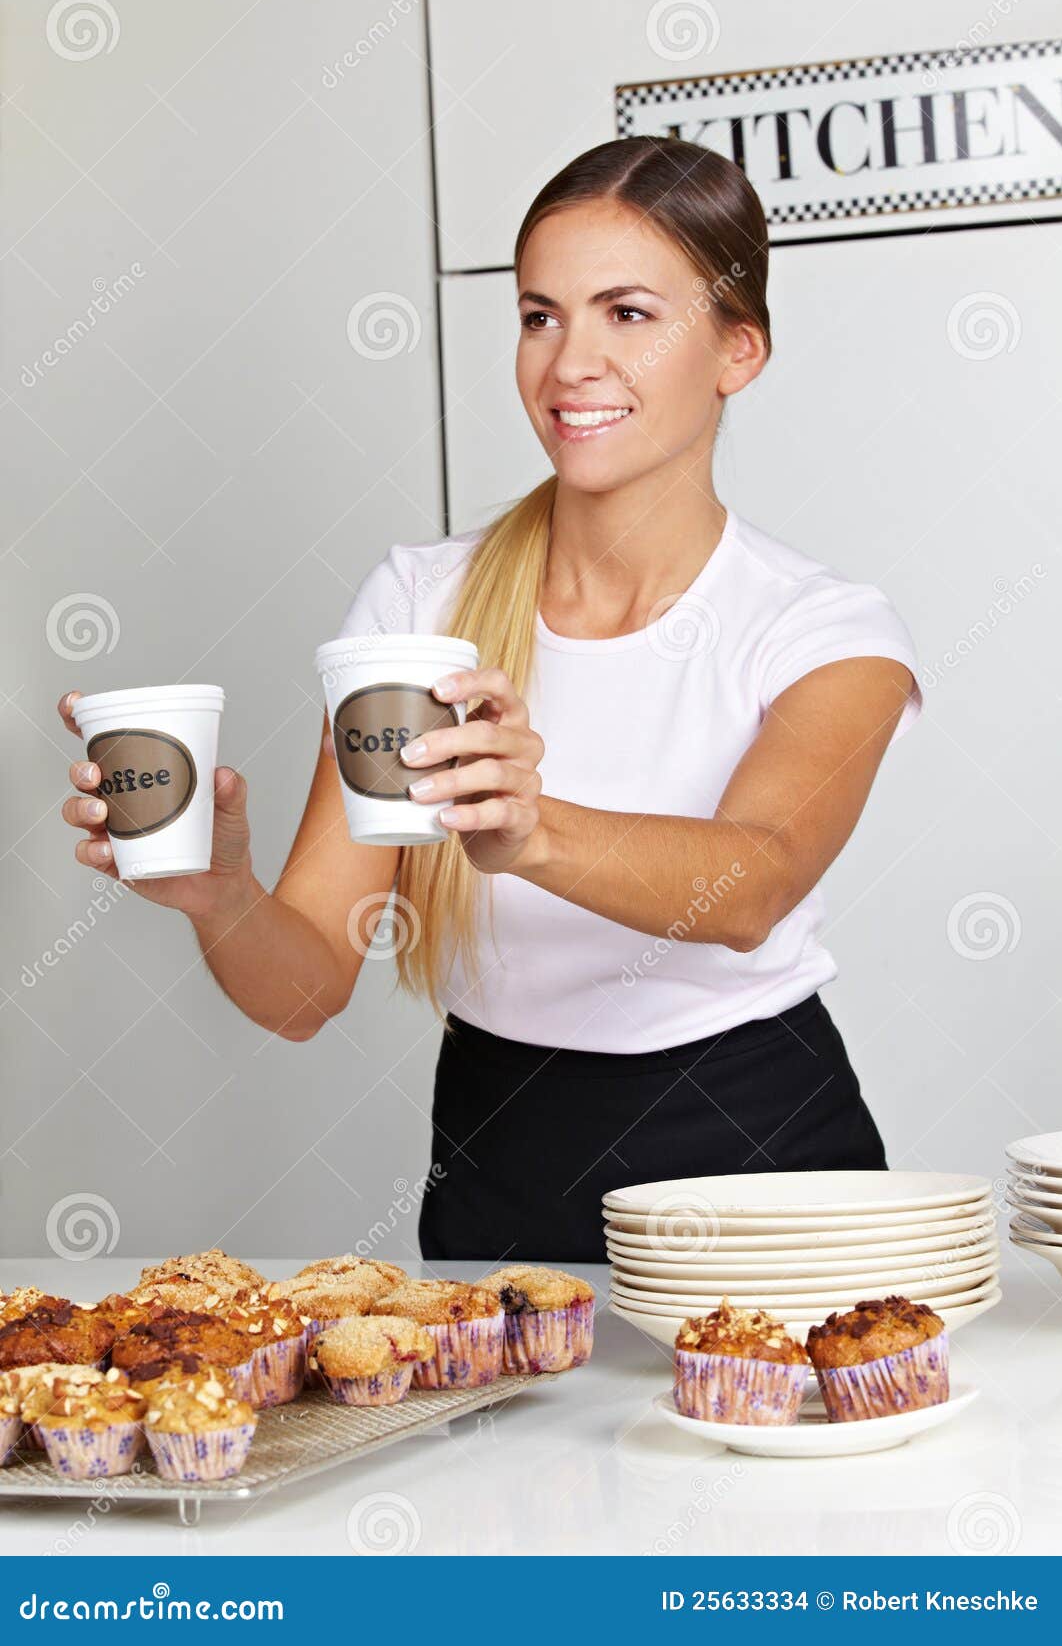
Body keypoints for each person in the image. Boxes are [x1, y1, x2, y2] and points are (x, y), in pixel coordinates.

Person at [59, 137, 921, 1262]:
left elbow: (746, 883)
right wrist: (220, 894)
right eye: (539, 315)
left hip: (760, 1154)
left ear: (736, 350)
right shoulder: (418, 607)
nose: (570, 363)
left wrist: (531, 829)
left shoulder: (822, 629)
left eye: (627, 314)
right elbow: (305, 987)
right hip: (501, 1153)